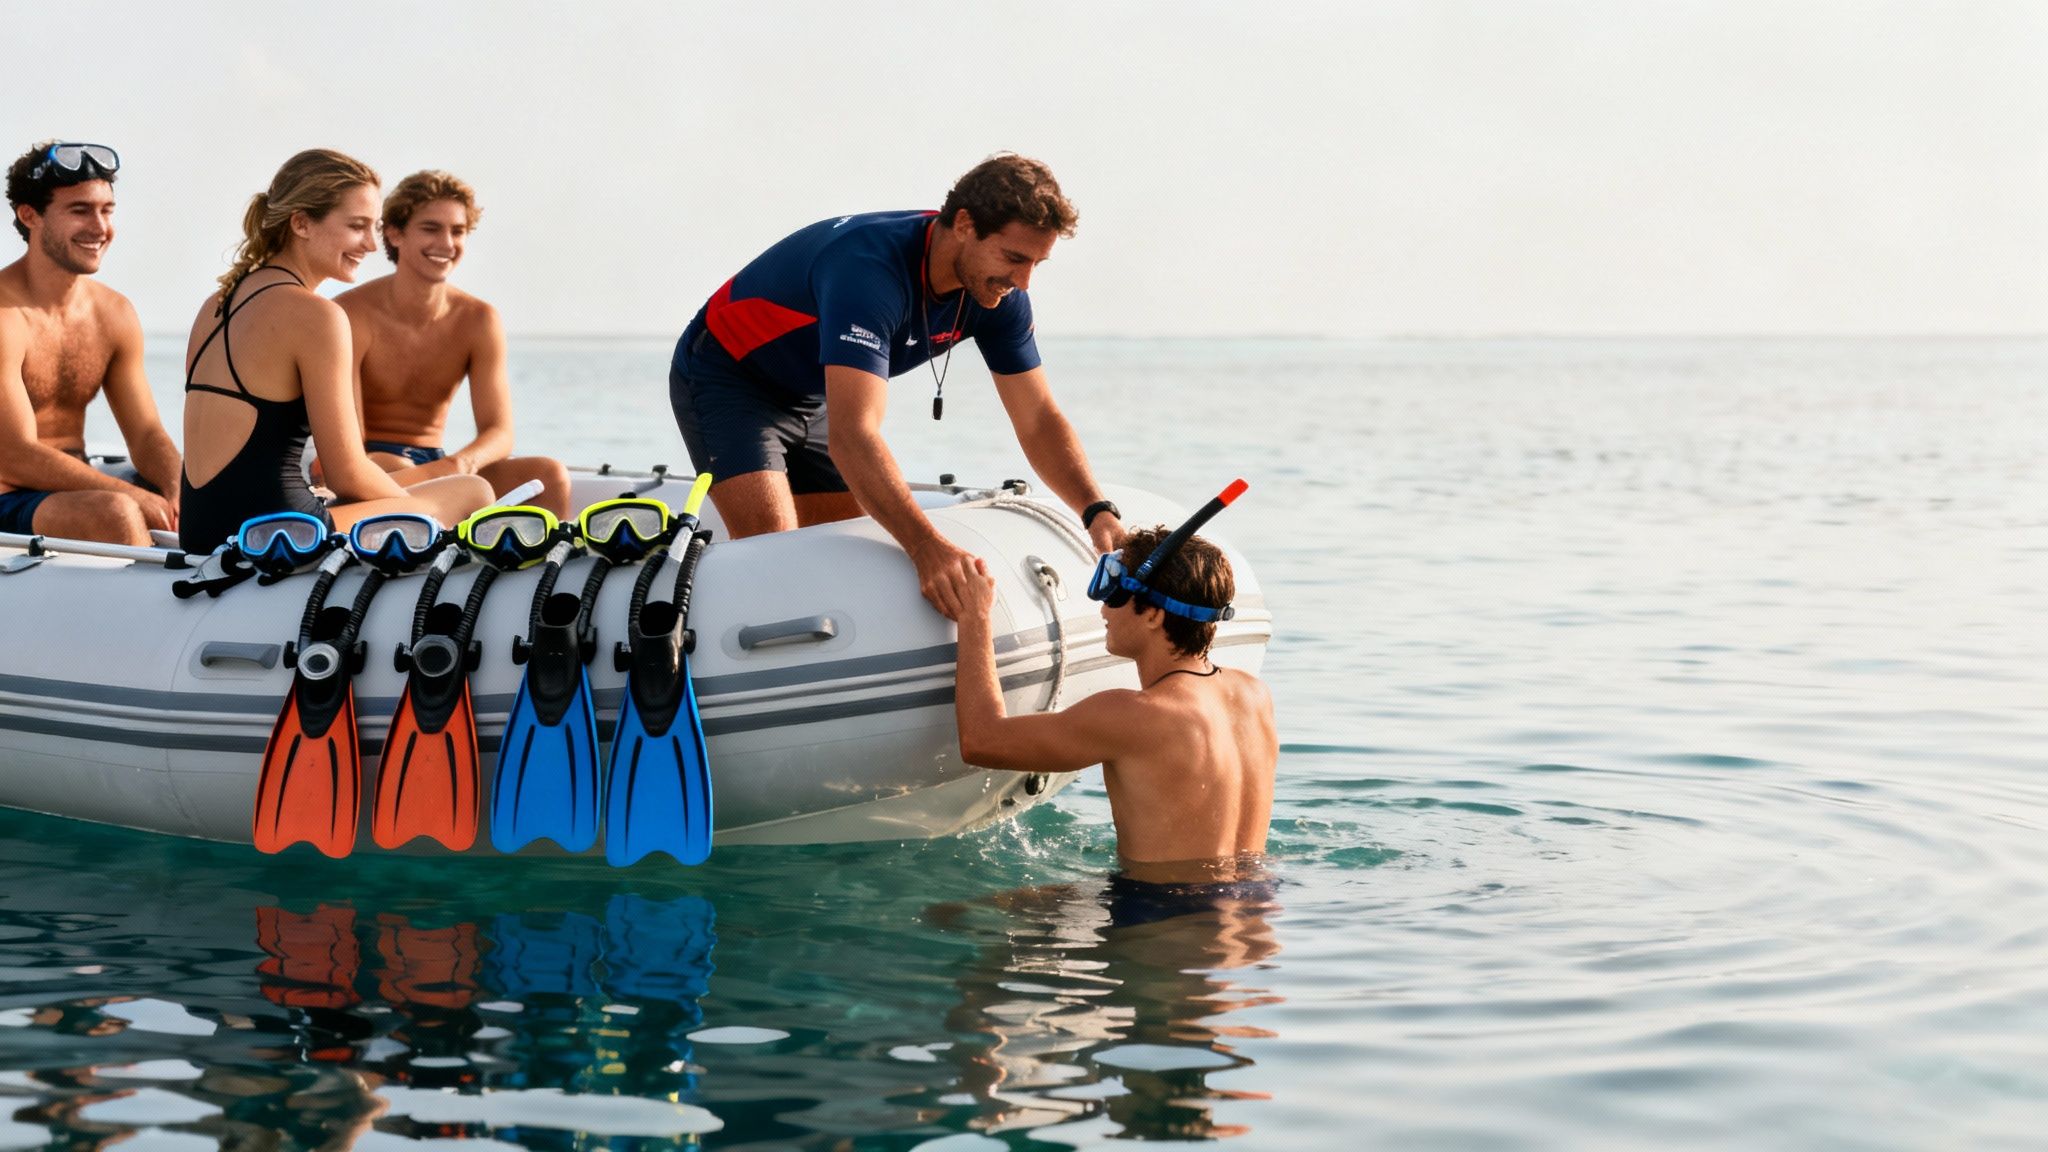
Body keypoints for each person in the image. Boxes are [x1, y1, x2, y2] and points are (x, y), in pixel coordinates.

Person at [669, 153, 1126, 619]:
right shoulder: (868, 273)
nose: (1023, 282)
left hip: (814, 390)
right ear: (965, 224)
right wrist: (927, 546)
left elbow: (1038, 417)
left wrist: (1096, 509)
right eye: (1013, 258)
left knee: (849, 546)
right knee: (778, 555)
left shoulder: (999, 296)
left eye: (1036, 264)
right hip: (729, 375)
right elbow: (855, 435)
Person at [179, 149, 491, 553]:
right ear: (301, 223)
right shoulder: (317, 316)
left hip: (201, 531)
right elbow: (347, 473)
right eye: (357, 227)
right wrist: (411, 510)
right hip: (274, 536)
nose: (370, 245)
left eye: (373, 228)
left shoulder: (217, 303)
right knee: (471, 492)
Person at [954, 525, 1277, 881]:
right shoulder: (1254, 695)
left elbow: (980, 741)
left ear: (1154, 615)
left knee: (954, 917)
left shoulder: (1137, 714)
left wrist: (975, 616)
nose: (1104, 609)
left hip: (1163, 918)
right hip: (1253, 901)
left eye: (1114, 594)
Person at [334, 170, 570, 516]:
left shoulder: (478, 319)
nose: (447, 244)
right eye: (431, 228)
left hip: (442, 462)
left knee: (549, 475)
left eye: (457, 231)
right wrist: (442, 472)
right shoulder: (349, 313)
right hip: (370, 464)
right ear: (395, 233)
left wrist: (460, 464)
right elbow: (347, 446)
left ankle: (545, 567)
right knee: (389, 462)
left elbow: (499, 432)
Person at [0, 141, 181, 545]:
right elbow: (13, 455)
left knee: (223, 491)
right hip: (9, 493)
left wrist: (177, 487)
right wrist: (128, 494)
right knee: (117, 512)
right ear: (30, 216)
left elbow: (147, 433)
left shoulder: (113, 313)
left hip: (74, 482)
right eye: (80, 210)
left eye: (107, 210)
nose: (100, 228)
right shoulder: (5, 317)